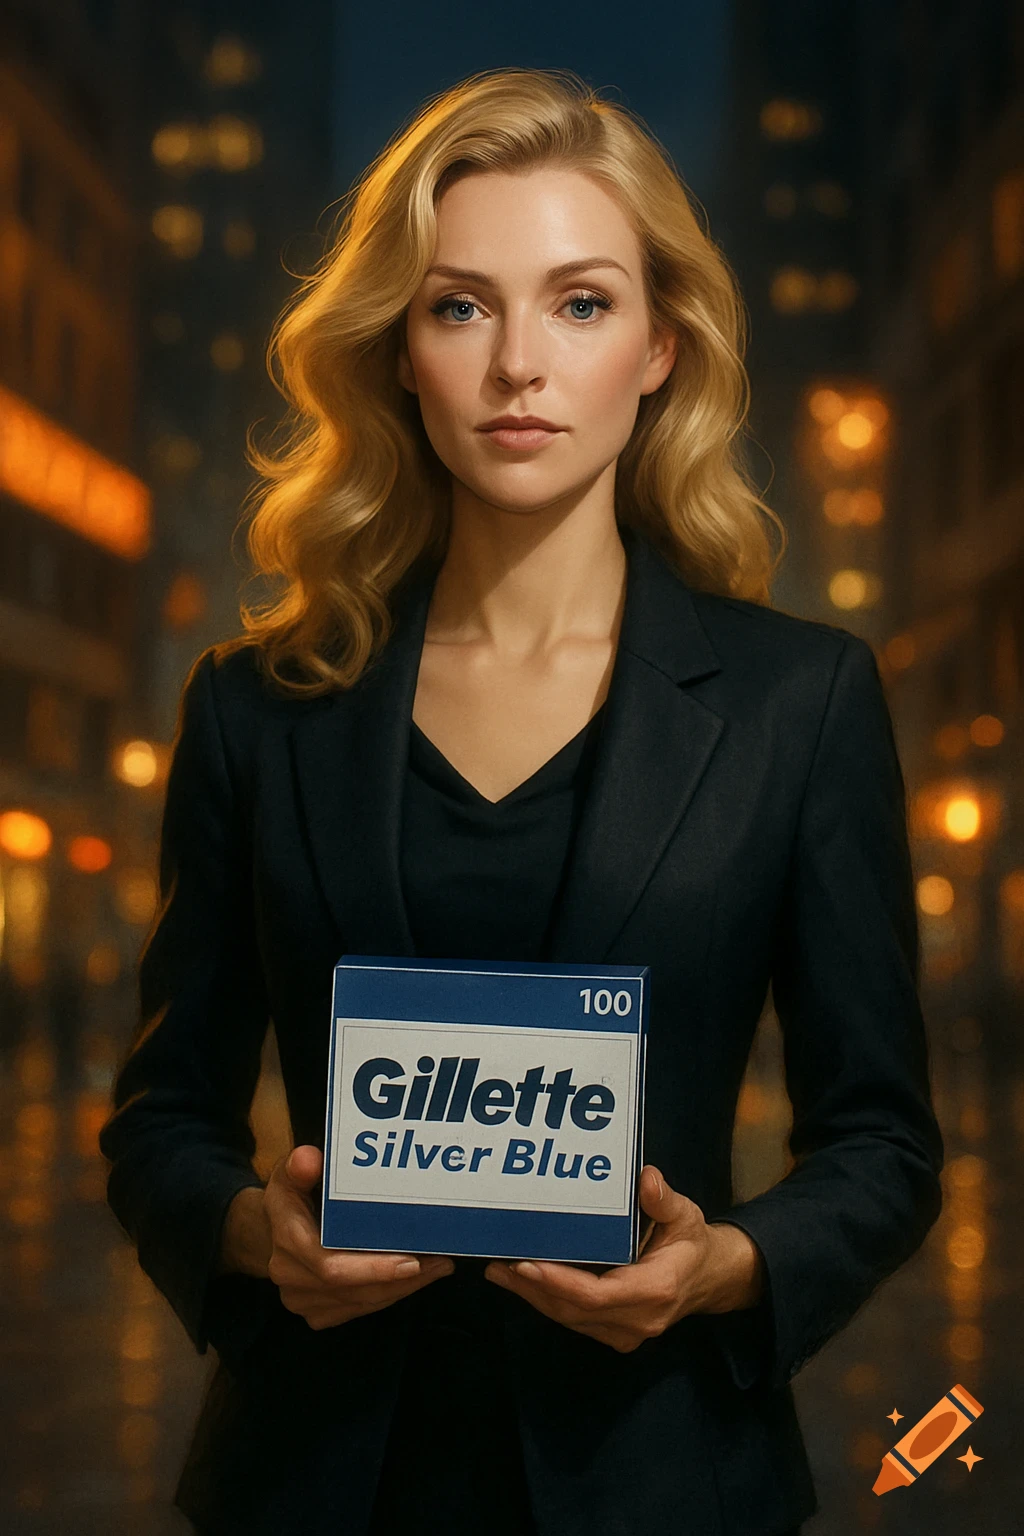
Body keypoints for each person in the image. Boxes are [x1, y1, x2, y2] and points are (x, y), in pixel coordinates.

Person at [100, 67, 944, 1536]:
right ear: (398, 350)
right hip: (315, 1480)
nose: (517, 368)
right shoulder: (255, 707)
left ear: (662, 346)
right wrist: (249, 1233)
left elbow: (882, 1141)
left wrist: (725, 1267)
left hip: (666, 1473)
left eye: (580, 303)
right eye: (459, 307)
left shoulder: (800, 703)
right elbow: (162, 1118)